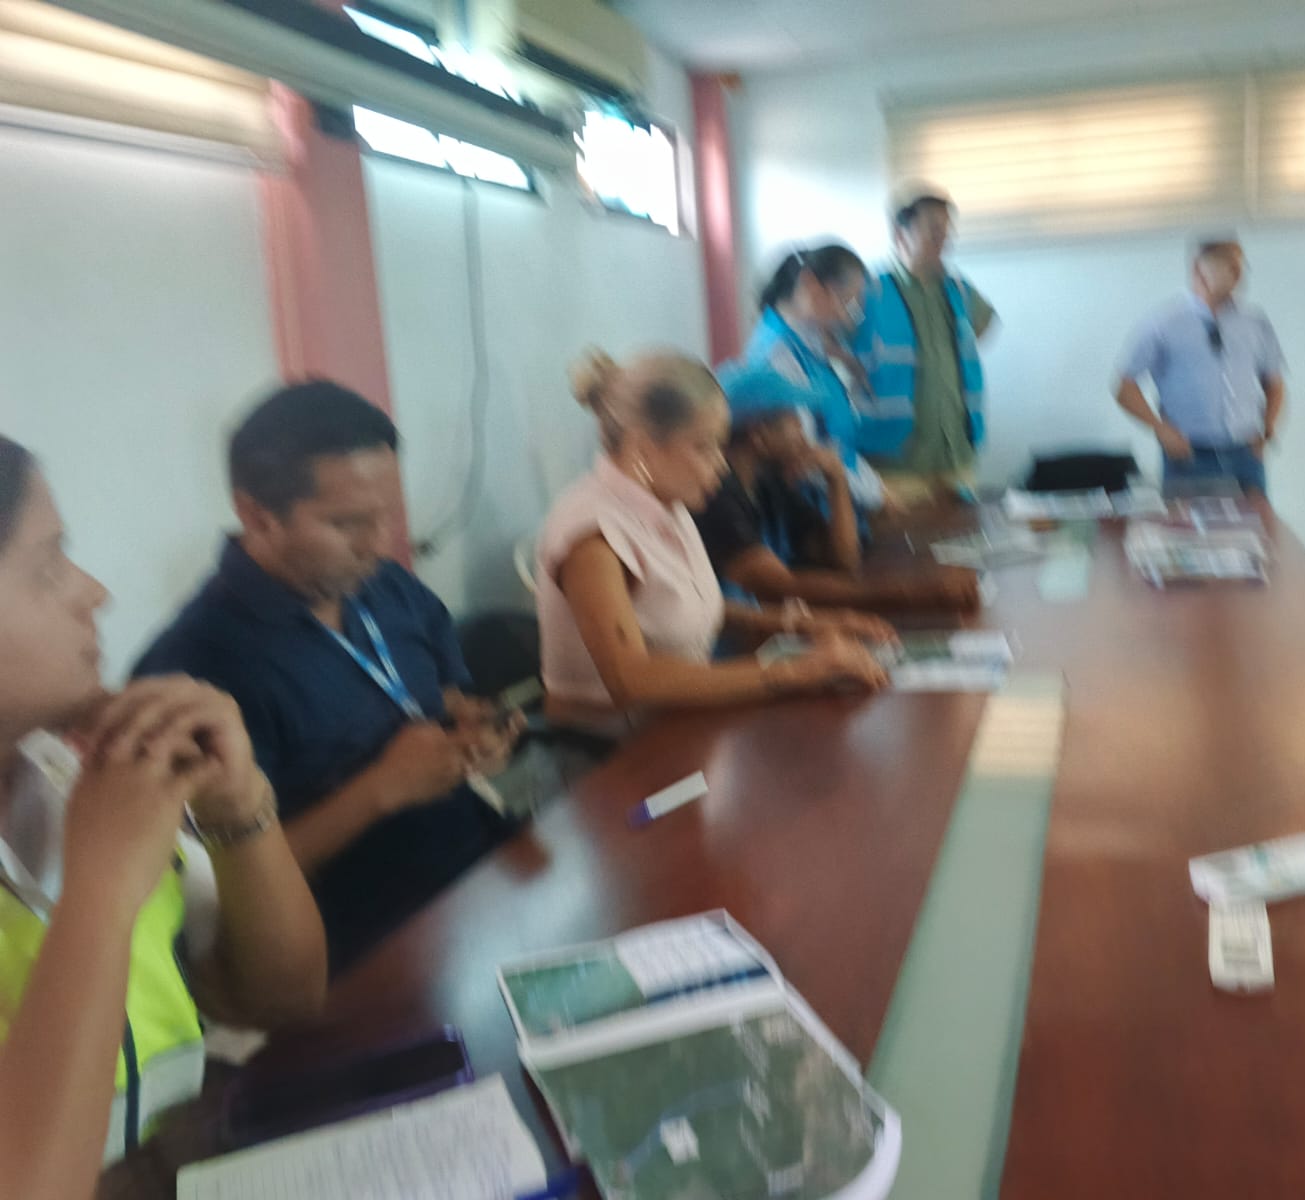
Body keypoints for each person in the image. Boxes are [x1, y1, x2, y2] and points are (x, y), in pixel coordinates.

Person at [0, 435, 326, 1199]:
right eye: (48, 570)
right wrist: (103, 888)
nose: (95, 593)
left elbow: (283, 998)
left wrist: (237, 806)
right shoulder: (99, 811)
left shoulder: (70, 771)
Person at [135, 383, 521, 974]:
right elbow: (218, 889)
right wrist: (381, 789)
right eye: (347, 523)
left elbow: (444, 700)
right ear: (257, 514)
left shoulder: (385, 587)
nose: (379, 543)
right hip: (364, 945)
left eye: (387, 515)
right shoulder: (193, 671)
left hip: (482, 870)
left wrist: (474, 732)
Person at [536, 349, 896, 729]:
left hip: (676, 727)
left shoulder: (669, 505)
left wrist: (805, 624)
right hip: (608, 752)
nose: (721, 465)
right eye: (704, 447)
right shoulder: (592, 536)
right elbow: (631, 680)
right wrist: (797, 671)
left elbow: (691, 611)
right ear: (643, 449)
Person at [696, 364, 981, 613]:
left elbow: (843, 559)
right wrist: (914, 593)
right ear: (759, 435)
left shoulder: (769, 483)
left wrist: (837, 478)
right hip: (739, 645)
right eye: (792, 420)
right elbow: (782, 587)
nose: (802, 430)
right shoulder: (717, 496)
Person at [851, 183, 998, 507]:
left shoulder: (958, 289)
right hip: (895, 463)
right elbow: (827, 339)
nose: (944, 239)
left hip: (955, 456)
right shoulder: (869, 291)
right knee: (904, 539)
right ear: (900, 234)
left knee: (963, 536)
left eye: (947, 231)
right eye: (933, 229)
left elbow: (987, 322)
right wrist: (852, 366)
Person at [1114, 236, 1287, 497]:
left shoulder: (1255, 322)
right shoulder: (1163, 323)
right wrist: (1161, 429)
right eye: (1229, 266)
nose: (1239, 274)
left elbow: (1274, 382)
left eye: (1241, 266)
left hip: (1245, 454)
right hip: (1189, 455)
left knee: (1256, 522)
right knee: (1186, 523)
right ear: (1199, 269)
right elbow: (1124, 388)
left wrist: (1268, 430)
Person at [742, 243, 887, 514]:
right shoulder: (778, 354)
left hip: (842, 501)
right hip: (811, 513)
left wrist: (875, 487)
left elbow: (838, 445)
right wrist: (873, 493)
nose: (846, 318)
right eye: (845, 302)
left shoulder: (810, 347)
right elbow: (804, 455)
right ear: (810, 283)